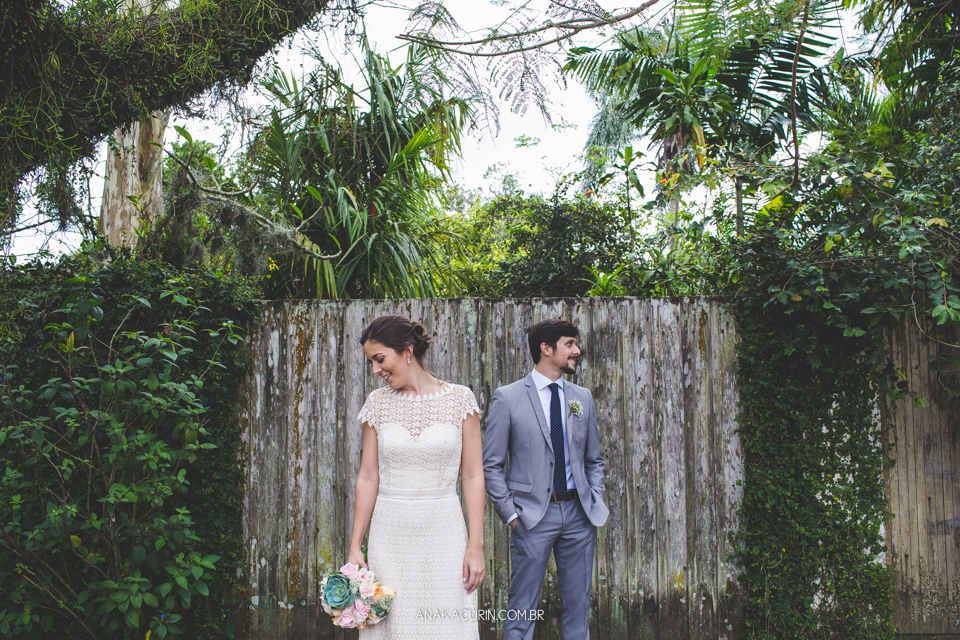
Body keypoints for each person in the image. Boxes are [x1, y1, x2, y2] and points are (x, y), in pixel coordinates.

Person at [348, 315, 485, 640]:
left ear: (407, 350)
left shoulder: (460, 400)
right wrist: (355, 546)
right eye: (371, 362)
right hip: (390, 536)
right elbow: (368, 477)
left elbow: (472, 475)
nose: (375, 370)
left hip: (445, 534)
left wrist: (476, 546)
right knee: (393, 626)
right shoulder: (377, 404)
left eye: (379, 359)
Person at [483, 318, 608, 640]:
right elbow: (491, 465)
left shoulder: (582, 397)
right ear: (546, 349)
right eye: (570, 344)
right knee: (522, 608)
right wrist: (512, 516)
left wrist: (594, 495)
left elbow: (594, 459)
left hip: (579, 515)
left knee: (578, 608)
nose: (577, 351)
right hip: (532, 517)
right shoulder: (508, 398)